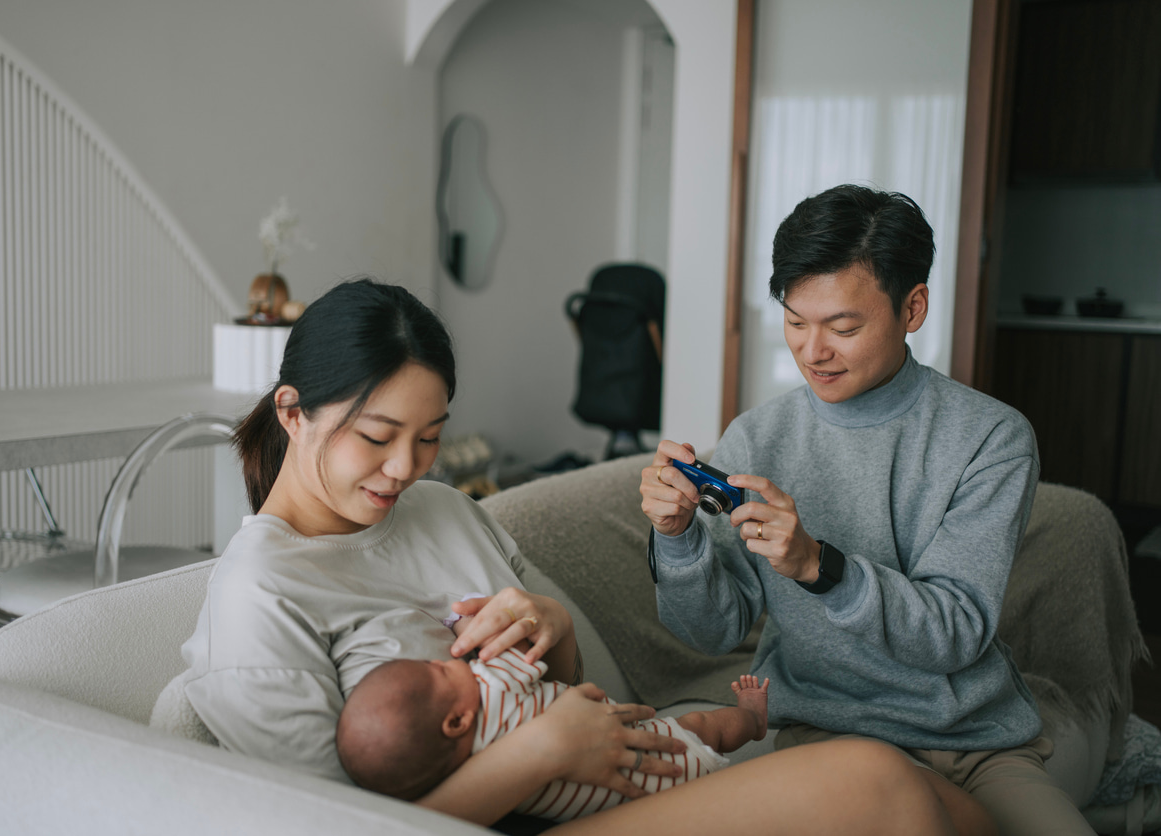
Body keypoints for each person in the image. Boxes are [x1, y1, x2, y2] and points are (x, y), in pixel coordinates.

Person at [171, 275, 968, 835]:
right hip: (511, 823)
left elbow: (595, 698)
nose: (406, 470)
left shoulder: (444, 511)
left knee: (949, 805)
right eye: (377, 438)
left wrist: (557, 630)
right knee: (880, 784)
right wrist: (538, 753)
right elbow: (346, 833)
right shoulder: (258, 600)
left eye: (430, 439)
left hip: (612, 781)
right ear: (293, 413)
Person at [641, 183, 1089, 836]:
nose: (812, 350)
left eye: (843, 326)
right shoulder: (756, 438)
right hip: (820, 731)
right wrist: (677, 538)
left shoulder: (991, 438)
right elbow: (710, 631)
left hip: (968, 740)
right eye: (795, 321)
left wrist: (819, 566)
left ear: (913, 307)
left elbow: (956, 630)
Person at [335, 643, 769, 820]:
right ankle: (751, 720)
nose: (446, 661)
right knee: (703, 726)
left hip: (626, 804)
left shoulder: (472, 769)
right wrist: (466, 631)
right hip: (660, 749)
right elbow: (523, 654)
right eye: (436, 670)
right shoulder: (494, 692)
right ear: (457, 721)